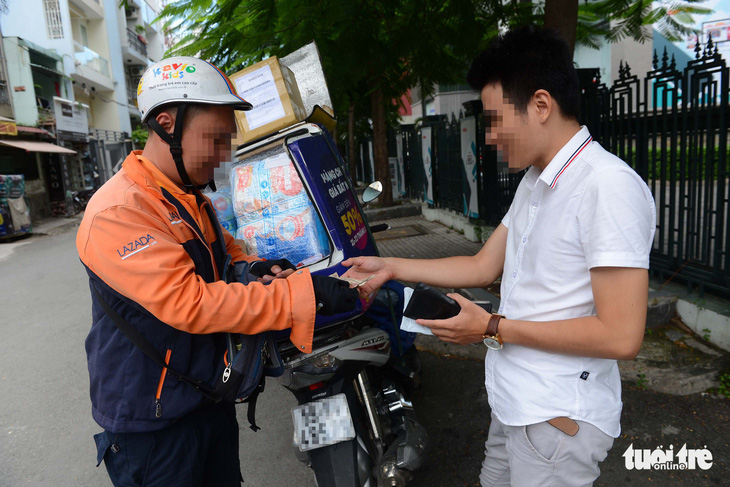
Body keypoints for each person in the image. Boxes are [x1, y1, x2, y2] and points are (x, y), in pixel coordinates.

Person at [343, 26, 656, 487]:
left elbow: (621, 334)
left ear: (541, 105)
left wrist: (490, 327)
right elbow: (482, 266)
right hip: (514, 403)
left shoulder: (606, 186)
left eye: (494, 118)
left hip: (557, 419)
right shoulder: (536, 180)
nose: (489, 136)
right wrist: (391, 267)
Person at [77, 56, 358, 486]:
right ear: (167, 124)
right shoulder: (119, 211)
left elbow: (226, 254)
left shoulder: (190, 200)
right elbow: (189, 303)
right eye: (215, 140)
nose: (224, 157)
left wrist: (257, 266)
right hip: (154, 426)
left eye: (228, 141)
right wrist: (308, 295)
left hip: (205, 397)